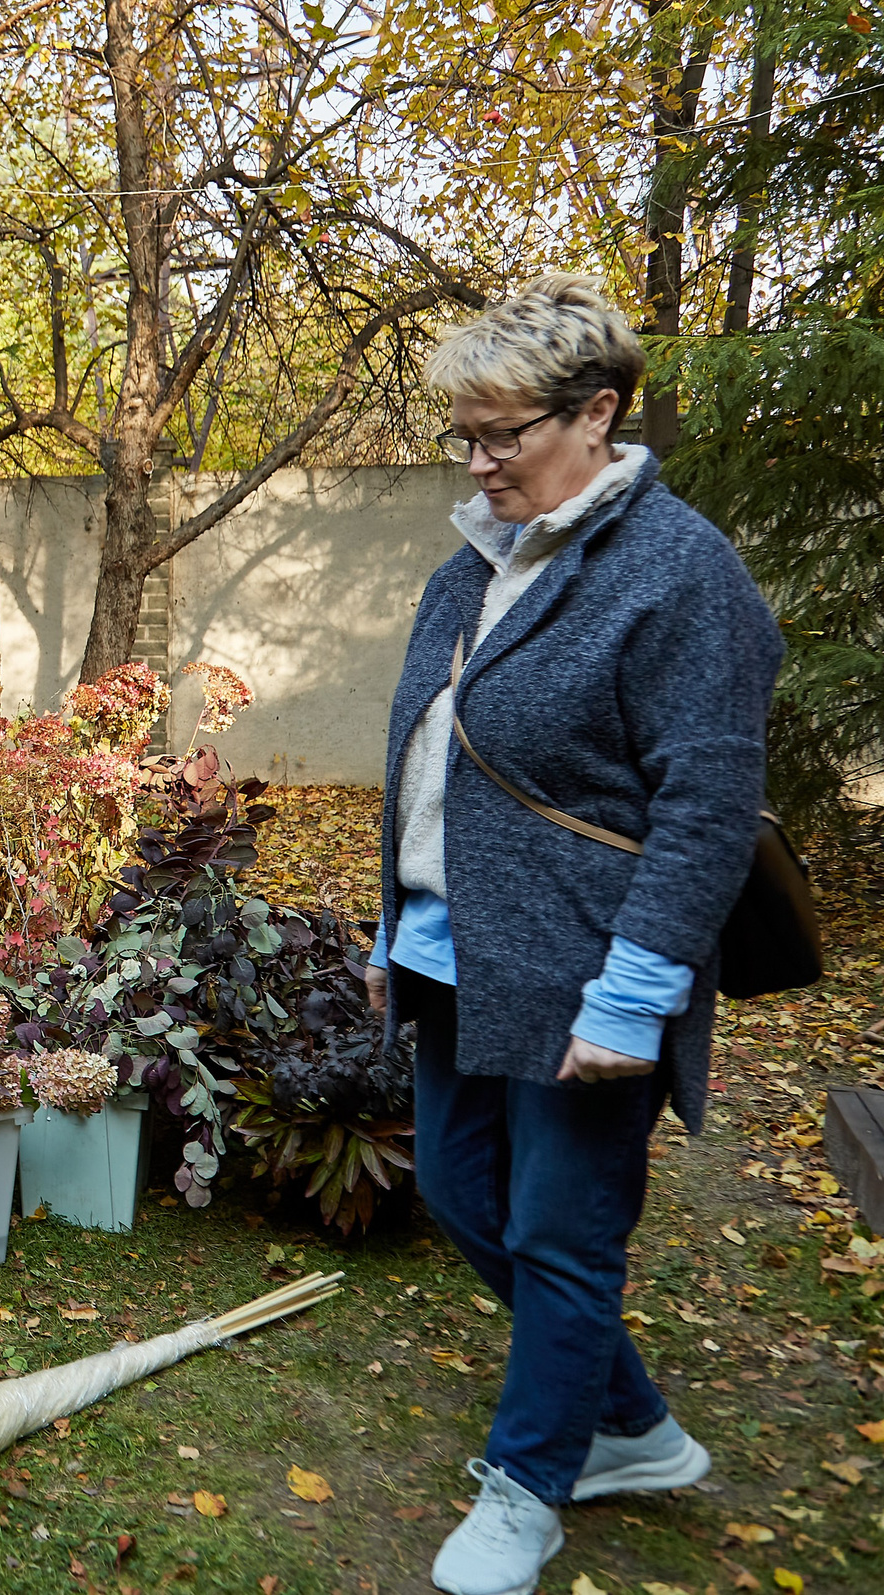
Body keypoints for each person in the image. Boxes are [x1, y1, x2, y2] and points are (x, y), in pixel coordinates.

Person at [364, 277, 781, 1595]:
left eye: (503, 435)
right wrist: (392, 920)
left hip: (587, 962)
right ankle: (637, 1425)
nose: (478, 463)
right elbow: (431, 757)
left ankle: (533, 1480)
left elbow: (709, 801)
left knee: (561, 1227)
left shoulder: (678, 571)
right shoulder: (467, 564)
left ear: (597, 412)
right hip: (449, 946)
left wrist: (637, 993)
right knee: (457, 1191)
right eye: (465, 437)